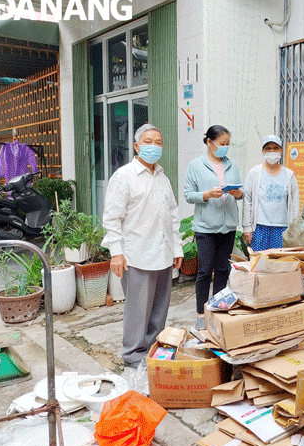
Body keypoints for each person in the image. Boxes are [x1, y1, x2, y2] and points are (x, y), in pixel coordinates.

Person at [101, 123, 183, 368]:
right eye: (148, 142)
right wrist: (116, 253)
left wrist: (177, 247)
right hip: (136, 255)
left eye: (158, 142)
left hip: (163, 252)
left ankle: (154, 350)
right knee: (138, 311)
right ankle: (134, 354)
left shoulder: (162, 177)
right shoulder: (124, 176)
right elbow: (112, 217)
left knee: (159, 309)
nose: (154, 146)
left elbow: (172, 214)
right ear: (136, 146)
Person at [184, 125, 243, 329]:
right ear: (209, 142)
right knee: (204, 270)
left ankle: (217, 310)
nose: (225, 148)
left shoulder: (232, 165)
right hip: (206, 227)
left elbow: (241, 191)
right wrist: (207, 194)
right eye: (222, 144)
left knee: (222, 269)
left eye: (228, 144)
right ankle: (201, 314)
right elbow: (188, 194)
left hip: (228, 226)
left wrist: (238, 194)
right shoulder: (196, 165)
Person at [242, 135, 300, 251]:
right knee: (258, 262)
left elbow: (294, 204)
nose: (272, 151)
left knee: (278, 263)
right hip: (259, 228)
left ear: (281, 150)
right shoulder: (255, 173)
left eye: (276, 148)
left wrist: (294, 229)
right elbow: (247, 200)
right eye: (268, 148)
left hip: (282, 228)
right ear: (263, 151)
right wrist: (247, 228)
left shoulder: (289, 175)